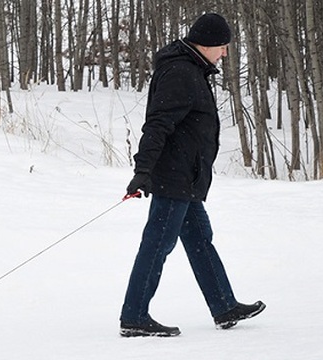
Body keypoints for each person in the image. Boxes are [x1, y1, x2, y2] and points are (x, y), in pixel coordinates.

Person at [119, 13, 265, 337]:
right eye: (223, 47)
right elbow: (157, 125)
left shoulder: (191, 69)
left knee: (200, 239)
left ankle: (224, 306)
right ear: (208, 43)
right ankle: (134, 316)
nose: (225, 54)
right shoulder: (181, 73)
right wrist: (143, 171)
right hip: (175, 177)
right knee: (158, 243)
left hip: (186, 176)